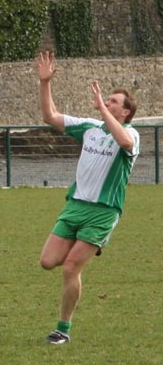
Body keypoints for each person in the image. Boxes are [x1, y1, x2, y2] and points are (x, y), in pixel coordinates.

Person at [35, 51, 139, 345]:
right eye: (107, 100)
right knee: (47, 261)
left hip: (104, 211)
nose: (107, 103)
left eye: (114, 102)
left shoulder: (132, 133)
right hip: (75, 205)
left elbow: (124, 142)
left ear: (126, 112)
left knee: (70, 267)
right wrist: (45, 83)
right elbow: (50, 117)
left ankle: (62, 330)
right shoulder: (90, 128)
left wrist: (104, 113)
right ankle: (91, 245)